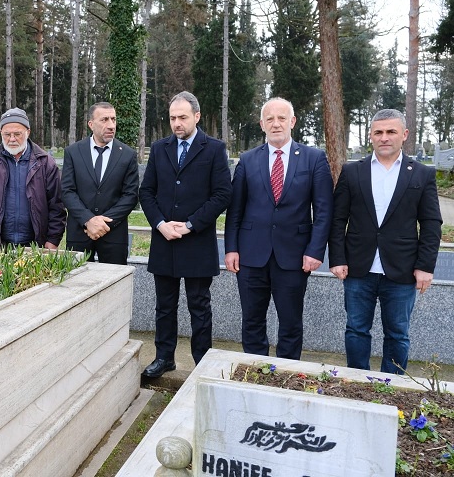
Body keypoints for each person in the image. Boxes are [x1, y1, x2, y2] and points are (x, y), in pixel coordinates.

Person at [329, 109, 441, 374]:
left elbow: (431, 223)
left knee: (398, 334)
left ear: (404, 135)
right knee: (356, 330)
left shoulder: (422, 174)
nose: (384, 138)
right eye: (378, 132)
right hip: (358, 269)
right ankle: (357, 382)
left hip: (402, 271)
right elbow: (337, 220)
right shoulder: (352, 171)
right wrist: (337, 259)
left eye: (391, 132)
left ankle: (391, 387)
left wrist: (425, 266)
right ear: (371, 136)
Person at [224, 97, 333, 360]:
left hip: (294, 257)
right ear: (262, 124)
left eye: (281, 118)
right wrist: (231, 249)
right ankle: (255, 369)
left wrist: (315, 250)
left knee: (291, 323)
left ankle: (285, 376)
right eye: (270, 119)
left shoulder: (314, 159)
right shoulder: (248, 160)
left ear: (292, 122)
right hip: (251, 256)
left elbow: (323, 211)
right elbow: (235, 209)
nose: (276, 124)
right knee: (252, 321)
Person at [138, 91, 232, 378]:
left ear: (197, 116)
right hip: (164, 239)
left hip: (197, 240)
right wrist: (160, 224)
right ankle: (164, 357)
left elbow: (222, 194)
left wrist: (191, 224)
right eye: (172, 118)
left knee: (199, 306)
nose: (177, 124)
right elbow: (147, 191)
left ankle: (202, 362)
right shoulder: (159, 148)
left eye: (182, 117)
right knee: (164, 306)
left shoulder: (214, 149)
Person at [0, 107, 65, 252]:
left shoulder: (45, 163)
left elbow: (56, 205)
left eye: (17, 134)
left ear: (28, 132)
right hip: (0, 244)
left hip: (36, 244)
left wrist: (53, 239)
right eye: (7, 134)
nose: (12, 139)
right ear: (1, 133)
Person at [61, 102, 139, 265]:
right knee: (76, 286)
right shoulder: (73, 152)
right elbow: (67, 191)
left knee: (115, 287)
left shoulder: (127, 155)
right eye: (104, 120)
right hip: (79, 234)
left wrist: (103, 223)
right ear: (91, 124)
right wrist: (88, 220)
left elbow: (130, 196)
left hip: (114, 234)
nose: (111, 125)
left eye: (113, 119)